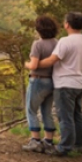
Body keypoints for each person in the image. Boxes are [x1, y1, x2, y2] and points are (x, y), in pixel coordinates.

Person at [33, 12, 82, 156]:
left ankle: (64, 147)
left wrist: (34, 65)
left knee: (65, 117)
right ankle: (78, 145)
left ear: (67, 24)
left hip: (65, 84)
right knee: (77, 115)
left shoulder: (65, 41)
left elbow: (52, 60)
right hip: (80, 83)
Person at [23, 15, 58, 153]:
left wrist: (26, 64)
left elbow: (34, 64)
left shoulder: (37, 44)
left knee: (31, 110)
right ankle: (48, 142)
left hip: (38, 80)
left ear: (39, 29)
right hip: (52, 81)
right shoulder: (57, 43)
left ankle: (35, 141)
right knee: (47, 112)